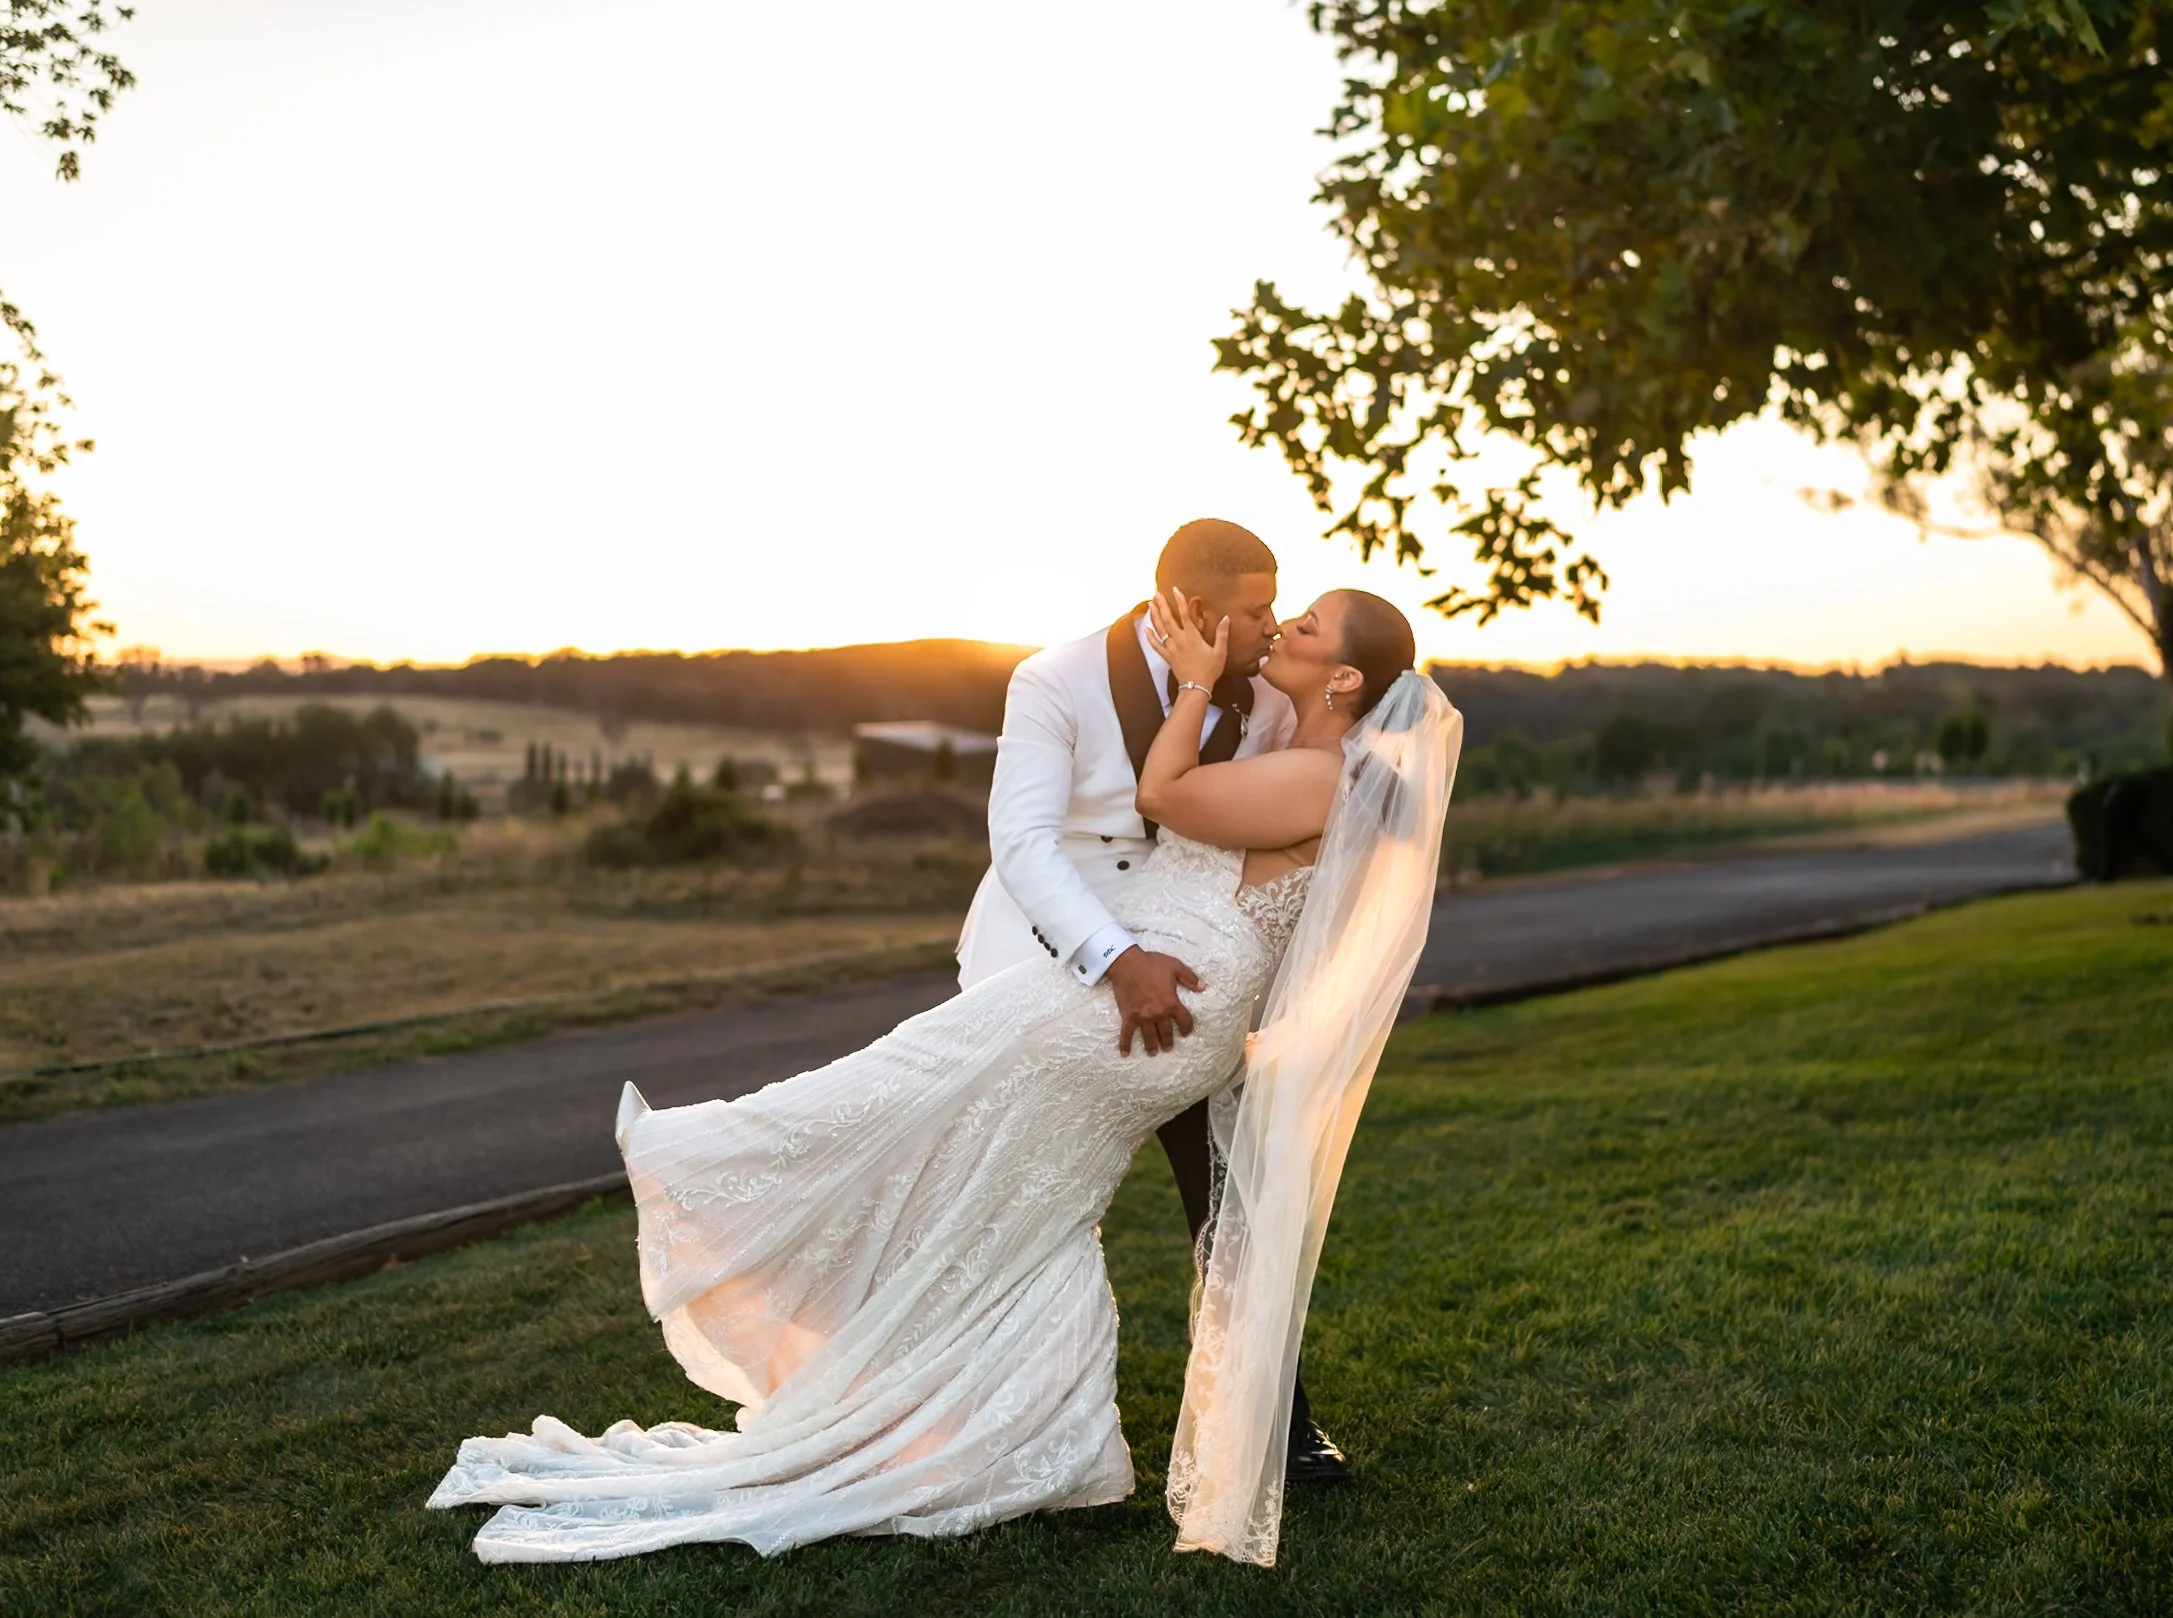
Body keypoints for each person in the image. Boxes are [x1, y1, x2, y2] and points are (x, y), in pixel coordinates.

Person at [429, 584, 1462, 1569]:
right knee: (1017, 1203)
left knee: (909, 1088)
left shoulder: (1318, 773)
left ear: (1344, 683)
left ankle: (704, 1163)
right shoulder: (1286, 742)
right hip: (1137, 996)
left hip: (1151, 1002)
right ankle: (1020, 1428)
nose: (1283, 625)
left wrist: (1192, 682)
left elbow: (1162, 793)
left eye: (1311, 624)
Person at [954, 519, 1347, 1482]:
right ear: (1203, 610)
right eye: (1259, 610)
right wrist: (1114, 956)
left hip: (1193, 974)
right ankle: (995, 1425)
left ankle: (1277, 1427)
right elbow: (1025, 845)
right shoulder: (1055, 678)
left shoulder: (1267, 698)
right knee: (1019, 1201)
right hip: (1047, 963)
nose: (1272, 625)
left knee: (1233, 1193)